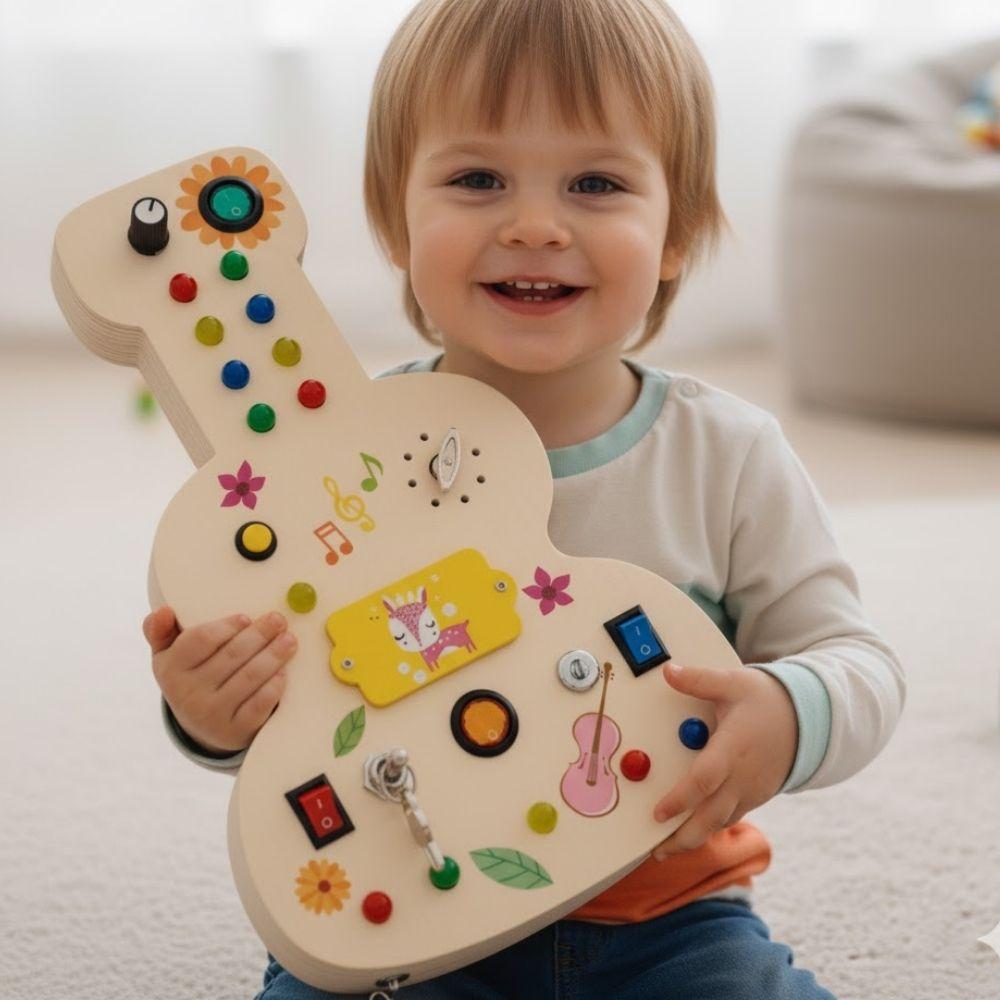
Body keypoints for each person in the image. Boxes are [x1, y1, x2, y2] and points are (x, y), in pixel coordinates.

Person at [142, 1, 906, 996]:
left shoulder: (727, 453)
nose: (535, 226)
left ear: (677, 231)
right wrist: (212, 714)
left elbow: (858, 661)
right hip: (407, 919)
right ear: (395, 223)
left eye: (596, 183)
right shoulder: (330, 468)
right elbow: (295, 711)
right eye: (477, 180)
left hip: (671, 917)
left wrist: (790, 713)